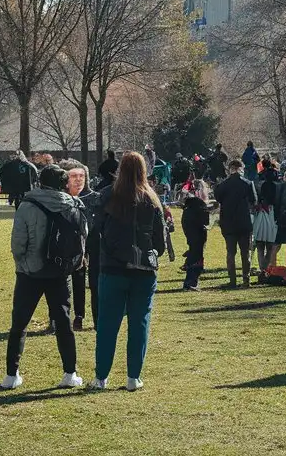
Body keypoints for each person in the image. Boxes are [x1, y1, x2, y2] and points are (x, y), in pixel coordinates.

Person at [1, 164, 86, 390]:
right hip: (60, 271)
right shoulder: (72, 205)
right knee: (63, 322)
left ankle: (11, 375)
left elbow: (18, 243)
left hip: (29, 271)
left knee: (19, 323)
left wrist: (23, 262)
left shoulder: (27, 205)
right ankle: (70, 372)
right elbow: (82, 238)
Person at [88, 151, 167, 392]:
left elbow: (94, 231)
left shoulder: (107, 196)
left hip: (112, 268)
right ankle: (134, 377)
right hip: (144, 269)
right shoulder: (151, 199)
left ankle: (101, 376)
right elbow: (160, 243)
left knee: (107, 323)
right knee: (139, 322)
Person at [59, 159, 94, 330]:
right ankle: (59, 317)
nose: (79, 179)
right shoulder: (60, 199)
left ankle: (79, 316)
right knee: (61, 285)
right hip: (63, 247)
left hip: (84, 248)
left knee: (80, 282)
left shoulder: (91, 198)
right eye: (74, 176)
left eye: (82, 176)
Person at [214, 158, 256, 288]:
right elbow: (254, 200)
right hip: (244, 221)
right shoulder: (248, 183)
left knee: (230, 252)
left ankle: (232, 280)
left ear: (230, 169)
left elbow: (218, 199)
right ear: (241, 169)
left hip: (228, 222)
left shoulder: (222, 185)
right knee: (245, 252)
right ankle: (246, 279)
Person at [181, 180, 212, 291]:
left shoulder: (189, 205)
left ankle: (190, 282)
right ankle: (190, 282)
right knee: (196, 258)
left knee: (193, 255)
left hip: (191, 234)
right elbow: (206, 221)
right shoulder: (199, 204)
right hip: (197, 235)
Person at [253, 157, 280, 272]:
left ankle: (262, 268)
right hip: (272, 212)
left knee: (260, 244)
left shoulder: (259, 180)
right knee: (270, 243)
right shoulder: (277, 183)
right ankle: (266, 267)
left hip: (261, 211)